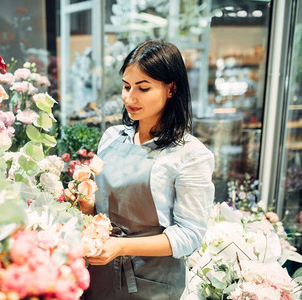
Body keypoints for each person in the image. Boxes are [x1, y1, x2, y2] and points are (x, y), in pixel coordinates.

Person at [80, 40, 215, 300]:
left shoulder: (190, 154)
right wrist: (84, 202)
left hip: (151, 284)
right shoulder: (111, 137)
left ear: (171, 89)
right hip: (98, 274)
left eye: (143, 88)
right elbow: (99, 206)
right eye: (126, 86)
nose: (130, 98)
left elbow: (189, 235)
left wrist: (120, 246)